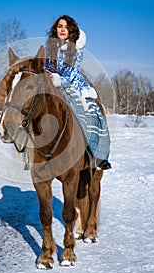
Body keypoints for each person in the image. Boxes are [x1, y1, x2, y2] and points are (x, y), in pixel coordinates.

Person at [45, 15, 112, 170]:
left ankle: (97, 155)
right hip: (52, 83)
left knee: (89, 113)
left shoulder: (75, 49)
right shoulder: (51, 47)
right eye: (59, 26)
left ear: (71, 30)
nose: (62, 29)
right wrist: (46, 75)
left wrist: (58, 80)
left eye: (66, 27)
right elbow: (47, 66)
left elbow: (72, 73)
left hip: (73, 85)